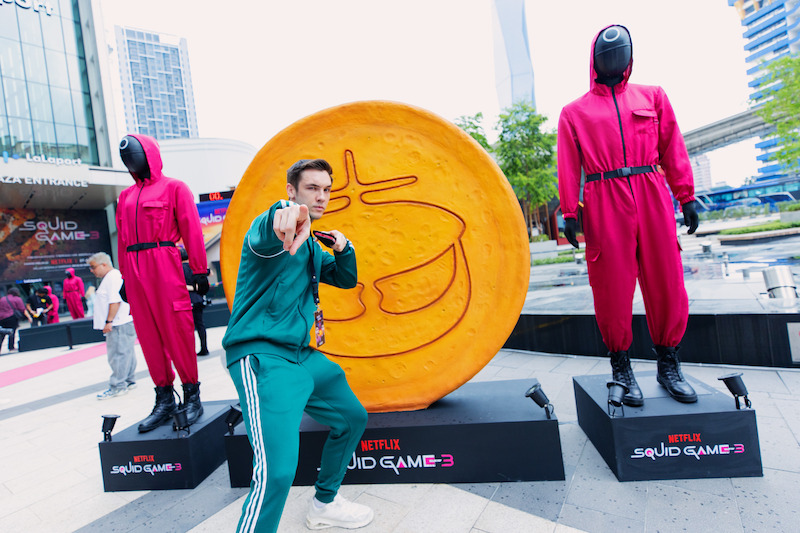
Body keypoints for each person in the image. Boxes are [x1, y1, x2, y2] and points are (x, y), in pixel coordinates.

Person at [222, 159, 372, 532]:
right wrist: (287, 217)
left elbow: (345, 277)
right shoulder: (272, 231)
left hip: (300, 355)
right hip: (262, 355)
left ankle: (324, 504)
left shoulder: (311, 249)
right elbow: (272, 228)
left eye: (326, 189)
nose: (321, 196)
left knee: (352, 417)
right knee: (277, 472)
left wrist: (343, 246)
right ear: (292, 190)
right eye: (312, 188)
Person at [557, 25, 699, 406]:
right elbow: (569, 165)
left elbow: (672, 146)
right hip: (604, 197)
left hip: (651, 190)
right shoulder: (574, 112)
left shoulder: (652, 96)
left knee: (666, 279)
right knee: (611, 286)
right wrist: (570, 211)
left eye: (621, 52)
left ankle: (669, 364)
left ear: (630, 58)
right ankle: (622, 368)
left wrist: (686, 196)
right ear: (595, 60)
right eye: (607, 54)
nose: (614, 58)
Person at [116, 133, 210, 432]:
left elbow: (192, 229)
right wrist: (125, 278)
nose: (131, 161)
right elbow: (122, 239)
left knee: (177, 329)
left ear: (149, 155)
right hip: (135, 267)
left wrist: (199, 269)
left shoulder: (175, 188)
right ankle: (165, 399)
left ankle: (192, 396)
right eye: (127, 158)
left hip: (164, 263)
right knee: (147, 335)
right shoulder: (125, 197)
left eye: (135, 155)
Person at [88, 252, 137, 399]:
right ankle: (128, 380)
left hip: (118, 323)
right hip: (120, 322)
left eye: (93, 267)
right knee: (126, 352)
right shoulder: (111, 277)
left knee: (118, 355)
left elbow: (115, 300)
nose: (92, 270)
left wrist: (109, 321)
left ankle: (118, 385)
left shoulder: (113, 277)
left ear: (104, 264)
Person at [180, 247, 209, 356]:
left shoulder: (179, 268)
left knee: (188, 327)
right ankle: (204, 347)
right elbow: (206, 275)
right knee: (200, 324)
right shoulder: (194, 267)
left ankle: (189, 351)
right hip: (198, 299)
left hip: (186, 300)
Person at [0, 288, 28, 352]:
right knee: (11, 332)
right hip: (11, 317)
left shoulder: (2, 299)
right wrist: (29, 317)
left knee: (1, 333)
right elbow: (22, 309)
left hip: (1, 318)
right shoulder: (17, 299)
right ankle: (11, 347)